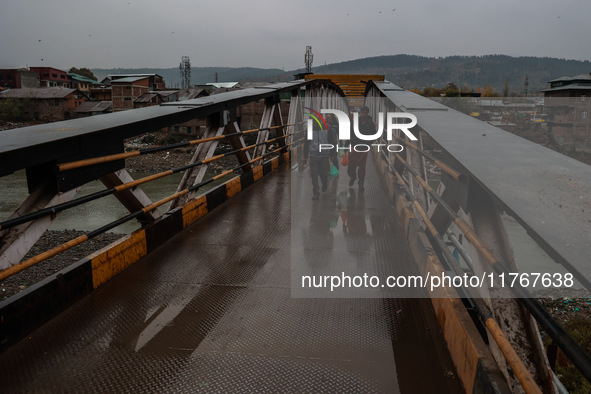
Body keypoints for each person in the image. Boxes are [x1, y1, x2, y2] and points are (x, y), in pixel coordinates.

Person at [303, 118, 337, 200]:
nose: (315, 122)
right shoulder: (310, 129)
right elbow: (306, 143)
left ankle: (324, 183)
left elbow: (332, 141)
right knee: (314, 176)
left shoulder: (327, 128)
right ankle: (316, 193)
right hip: (313, 156)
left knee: (323, 174)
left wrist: (333, 155)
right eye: (314, 121)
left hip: (324, 156)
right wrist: (305, 156)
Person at [347, 106, 375, 192]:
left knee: (362, 166)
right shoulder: (354, 122)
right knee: (351, 164)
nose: (363, 114)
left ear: (367, 113)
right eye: (362, 112)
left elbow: (374, 134)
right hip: (355, 146)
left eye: (365, 112)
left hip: (364, 147)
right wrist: (346, 146)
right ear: (360, 113)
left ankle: (361, 182)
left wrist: (369, 143)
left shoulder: (370, 123)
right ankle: (353, 176)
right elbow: (349, 134)